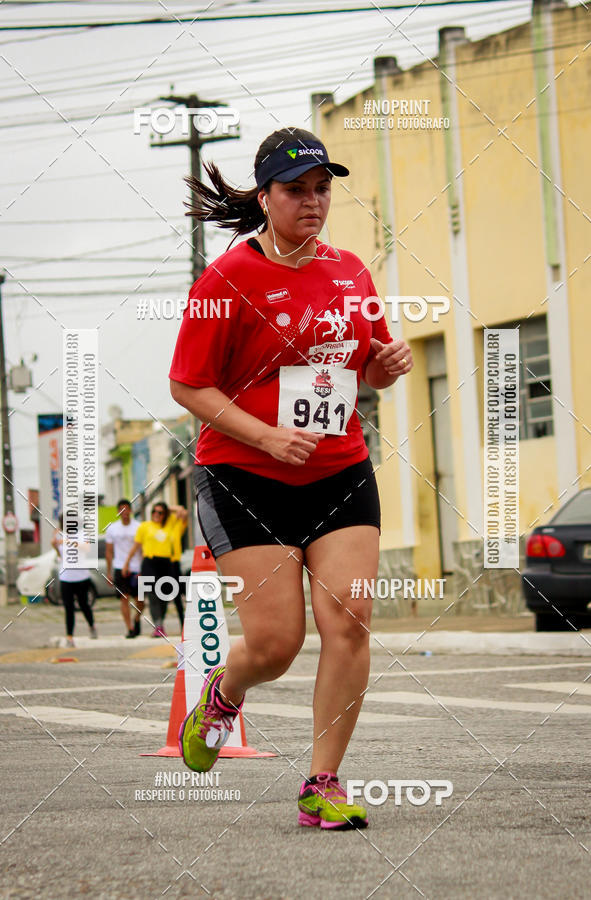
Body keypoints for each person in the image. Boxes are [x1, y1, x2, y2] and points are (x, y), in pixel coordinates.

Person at [169, 126, 413, 830]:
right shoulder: (228, 280)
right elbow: (189, 385)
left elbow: (361, 364)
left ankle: (322, 784)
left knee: (351, 622)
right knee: (277, 644)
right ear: (265, 197)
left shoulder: (349, 272)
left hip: (338, 471)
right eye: (296, 190)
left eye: (321, 189)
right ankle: (224, 690)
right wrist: (269, 435)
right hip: (245, 476)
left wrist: (383, 370)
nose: (313, 202)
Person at [122, 502, 187, 638]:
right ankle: (158, 626)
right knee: (153, 595)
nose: (156, 515)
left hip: (165, 563)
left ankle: (160, 624)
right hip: (149, 563)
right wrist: (127, 563)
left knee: (163, 595)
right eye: (154, 512)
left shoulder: (171, 525)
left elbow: (183, 512)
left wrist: (167, 507)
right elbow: (136, 546)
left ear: (165, 514)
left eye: (160, 512)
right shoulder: (145, 526)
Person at [51, 515, 97, 647]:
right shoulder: (60, 536)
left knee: (84, 604)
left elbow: (86, 548)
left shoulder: (82, 534)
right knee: (68, 608)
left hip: (81, 576)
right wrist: (55, 545)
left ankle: (92, 625)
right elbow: (60, 555)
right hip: (66, 577)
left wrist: (67, 541)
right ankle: (69, 637)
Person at [105, 498, 143, 638]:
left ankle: (137, 618)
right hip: (119, 567)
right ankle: (130, 628)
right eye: (122, 509)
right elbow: (109, 552)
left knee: (140, 599)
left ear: (131, 510)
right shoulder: (112, 528)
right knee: (124, 598)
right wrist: (109, 572)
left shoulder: (138, 527)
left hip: (136, 567)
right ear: (118, 512)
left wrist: (143, 569)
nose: (124, 512)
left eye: (127, 509)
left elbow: (143, 549)